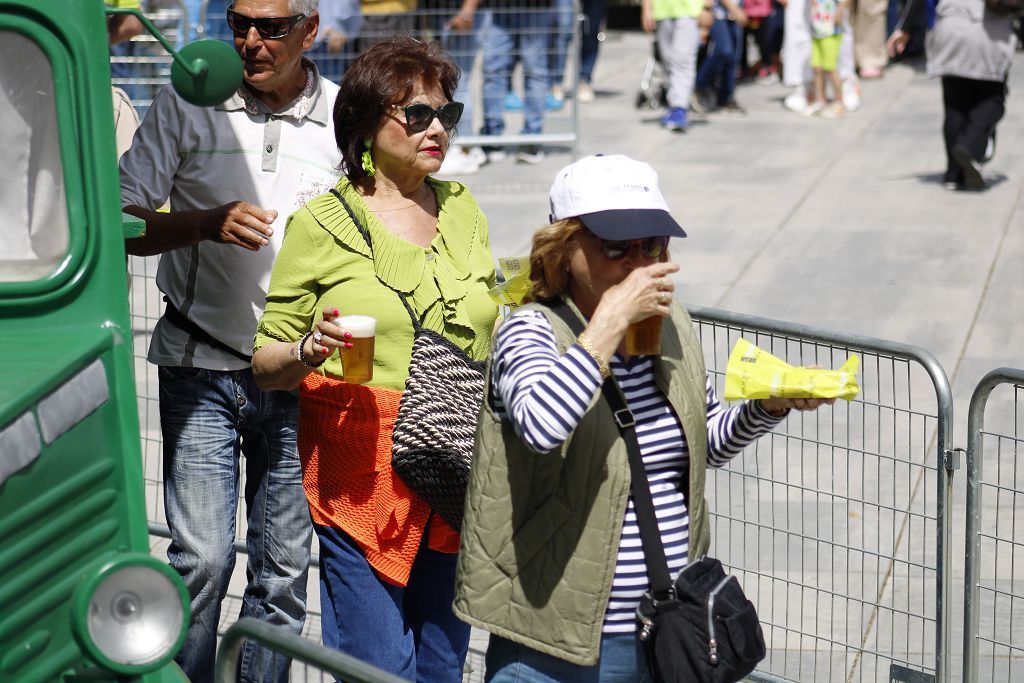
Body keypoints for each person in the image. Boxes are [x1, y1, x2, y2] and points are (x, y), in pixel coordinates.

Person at [453, 154, 833, 680]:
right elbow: (540, 426)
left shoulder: (670, 323)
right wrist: (607, 323)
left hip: (661, 626)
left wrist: (768, 406)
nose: (638, 263)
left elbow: (703, 443)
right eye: (615, 246)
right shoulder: (531, 331)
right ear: (564, 250)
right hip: (557, 636)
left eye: (651, 245)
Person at [250, 37, 498, 680]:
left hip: (454, 456)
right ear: (364, 125)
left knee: (443, 667)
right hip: (361, 472)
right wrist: (309, 349)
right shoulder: (322, 223)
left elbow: (491, 314)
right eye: (417, 115)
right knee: (379, 667)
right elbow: (264, 363)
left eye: (448, 113)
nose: (437, 128)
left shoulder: (464, 210)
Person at [118, 1, 339, 681]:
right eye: (238, 22)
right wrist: (203, 223)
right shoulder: (183, 100)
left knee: (280, 575)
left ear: (311, 29)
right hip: (200, 363)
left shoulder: (343, 115)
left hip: (301, 376)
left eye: (271, 27)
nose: (249, 40)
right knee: (202, 560)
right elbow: (123, 222)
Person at [888, 0, 1017, 190]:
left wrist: (903, 28)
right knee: (993, 99)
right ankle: (970, 147)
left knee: (955, 105)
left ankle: (954, 174)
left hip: (949, 31)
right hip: (990, 33)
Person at [479, 0, 554, 163]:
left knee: (535, 72)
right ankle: (492, 136)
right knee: (493, 71)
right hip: (500, 9)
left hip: (536, 8)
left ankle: (532, 139)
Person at [642, 0, 704, 131]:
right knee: (668, 62)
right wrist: (647, 9)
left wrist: (707, 7)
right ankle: (674, 104)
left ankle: (679, 107)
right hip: (662, 10)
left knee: (683, 60)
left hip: (690, 10)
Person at [805, 0, 850, 117]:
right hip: (816, 28)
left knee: (830, 68)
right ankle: (820, 100)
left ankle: (839, 102)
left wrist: (840, 10)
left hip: (832, 29)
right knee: (816, 67)